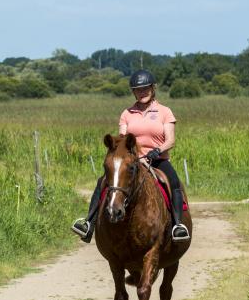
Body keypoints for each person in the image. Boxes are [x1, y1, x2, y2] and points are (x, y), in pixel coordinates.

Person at [71, 69, 191, 243]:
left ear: (153, 88)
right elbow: (121, 140)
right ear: (133, 92)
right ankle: (88, 223)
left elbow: (171, 140)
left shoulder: (165, 112)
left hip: (157, 160)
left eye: (145, 88)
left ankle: (177, 225)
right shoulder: (127, 114)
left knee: (173, 182)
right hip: (132, 162)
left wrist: (158, 150)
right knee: (103, 182)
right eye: (138, 89)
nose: (142, 92)